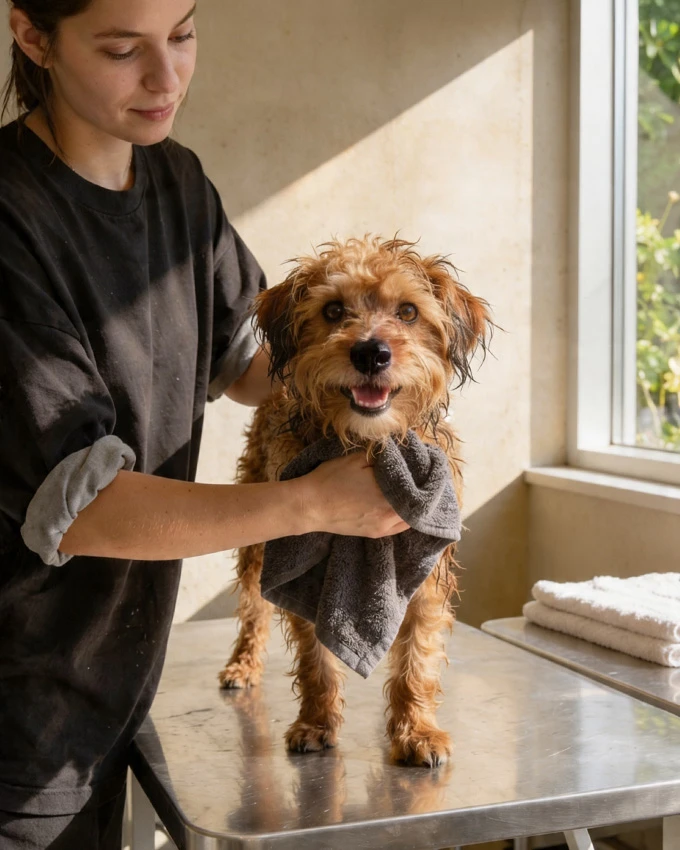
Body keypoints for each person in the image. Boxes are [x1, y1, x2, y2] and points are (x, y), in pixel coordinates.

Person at [0, 1, 408, 846]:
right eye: (123, 49)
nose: (167, 78)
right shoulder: (12, 217)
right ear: (33, 35)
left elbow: (255, 367)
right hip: (16, 710)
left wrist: (370, 361)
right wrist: (312, 503)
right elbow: (82, 507)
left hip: (111, 684)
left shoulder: (176, 180)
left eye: (182, 35)